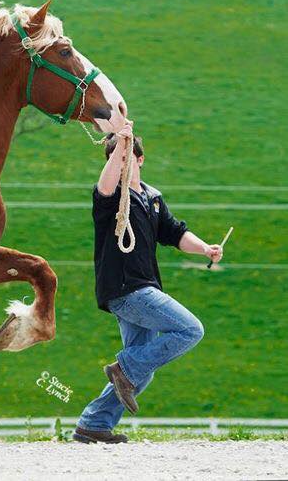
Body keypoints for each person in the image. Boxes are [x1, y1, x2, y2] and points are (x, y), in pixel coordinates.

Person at [72, 121, 223, 444]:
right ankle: (123, 368)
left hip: (143, 288)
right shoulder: (111, 197)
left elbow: (175, 233)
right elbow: (107, 183)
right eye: (117, 159)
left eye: (129, 158)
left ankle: (94, 423)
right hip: (127, 289)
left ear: (141, 160)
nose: (123, 163)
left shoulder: (152, 197)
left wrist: (205, 249)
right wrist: (119, 145)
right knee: (189, 330)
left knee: (141, 369)